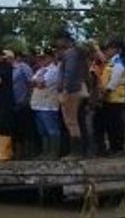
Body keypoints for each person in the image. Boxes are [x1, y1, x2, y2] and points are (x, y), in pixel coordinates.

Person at [56, 29, 89, 158]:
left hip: (71, 90)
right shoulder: (76, 53)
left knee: (71, 121)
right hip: (75, 88)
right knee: (73, 121)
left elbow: (69, 73)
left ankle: (77, 151)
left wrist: (65, 90)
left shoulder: (70, 54)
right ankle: (77, 150)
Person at [31, 49, 63, 159]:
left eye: (44, 57)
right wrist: (37, 82)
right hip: (37, 103)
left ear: (51, 58)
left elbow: (42, 83)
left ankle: (54, 152)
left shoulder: (54, 70)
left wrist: (37, 82)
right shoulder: (40, 70)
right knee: (42, 130)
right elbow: (32, 81)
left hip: (48, 104)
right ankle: (45, 151)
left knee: (52, 129)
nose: (41, 60)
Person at [100, 39, 125, 155]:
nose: (107, 51)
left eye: (109, 49)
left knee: (116, 123)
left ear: (115, 50)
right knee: (110, 124)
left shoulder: (118, 62)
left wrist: (106, 90)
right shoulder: (109, 62)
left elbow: (115, 80)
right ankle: (113, 146)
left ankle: (118, 147)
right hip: (109, 98)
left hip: (116, 97)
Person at [11, 51, 36, 159]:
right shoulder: (6, 69)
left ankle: (29, 151)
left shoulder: (23, 67)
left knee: (26, 128)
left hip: (23, 102)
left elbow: (31, 83)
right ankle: (18, 152)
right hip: (12, 103)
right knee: (15, 129)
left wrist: (28, 98)